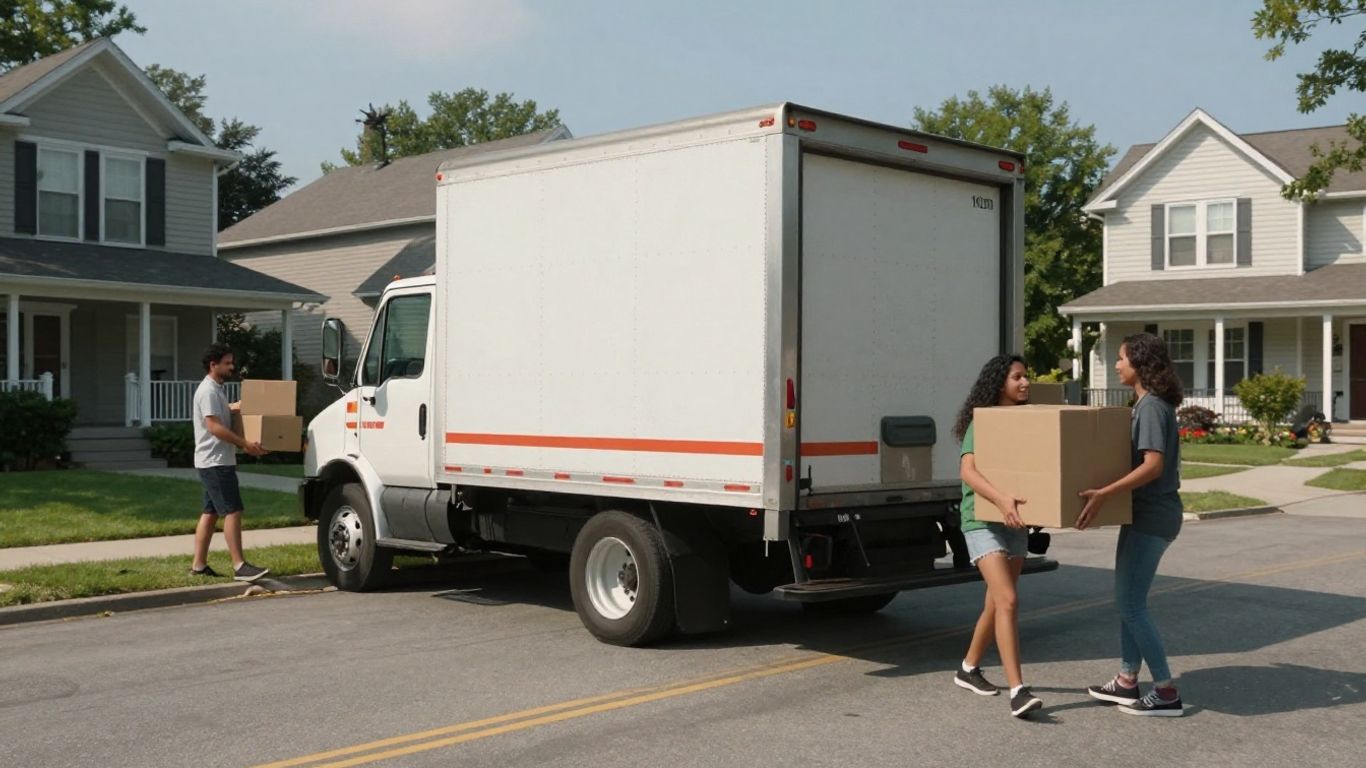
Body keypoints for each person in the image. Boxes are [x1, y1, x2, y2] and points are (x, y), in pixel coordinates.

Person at [1076, 332, 1186, 717]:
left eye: (1121, 359)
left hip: (1153, 515)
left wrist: (1105, 492)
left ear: (1138, 363)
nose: (1117, 364)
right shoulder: (1143, 404)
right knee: (1128, 602)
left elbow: (1152, 465)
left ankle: (1166, 691)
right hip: (1142, 513)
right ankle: (1126, 681)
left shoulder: (1152, 407)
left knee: (1131, 604)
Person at [951, 354, 1042, 718]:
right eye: (1017, 377)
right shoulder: (982, 421)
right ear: (999, 383)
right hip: (982, 520)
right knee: (1007, 601)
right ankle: (1018, 690)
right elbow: (967, 471)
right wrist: (1001, 498)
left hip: (1013, 521)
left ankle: (968, 669)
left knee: (995, 603)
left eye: (1026, 376)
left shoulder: (1026, 420)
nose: (1025, 383)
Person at [190, 343, 270, 582]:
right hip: (215, 463)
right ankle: (239, 566)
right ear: (213, 365)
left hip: (211, 461)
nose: (231, 367)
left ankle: (198, 566)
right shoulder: (208, 391)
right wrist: (245, 444)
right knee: (233, 510)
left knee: (210, 513)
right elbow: (214, 427)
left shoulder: (216, 390)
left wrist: (236, 407)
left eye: (231, 362)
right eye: (227, 363)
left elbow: (221, 414)